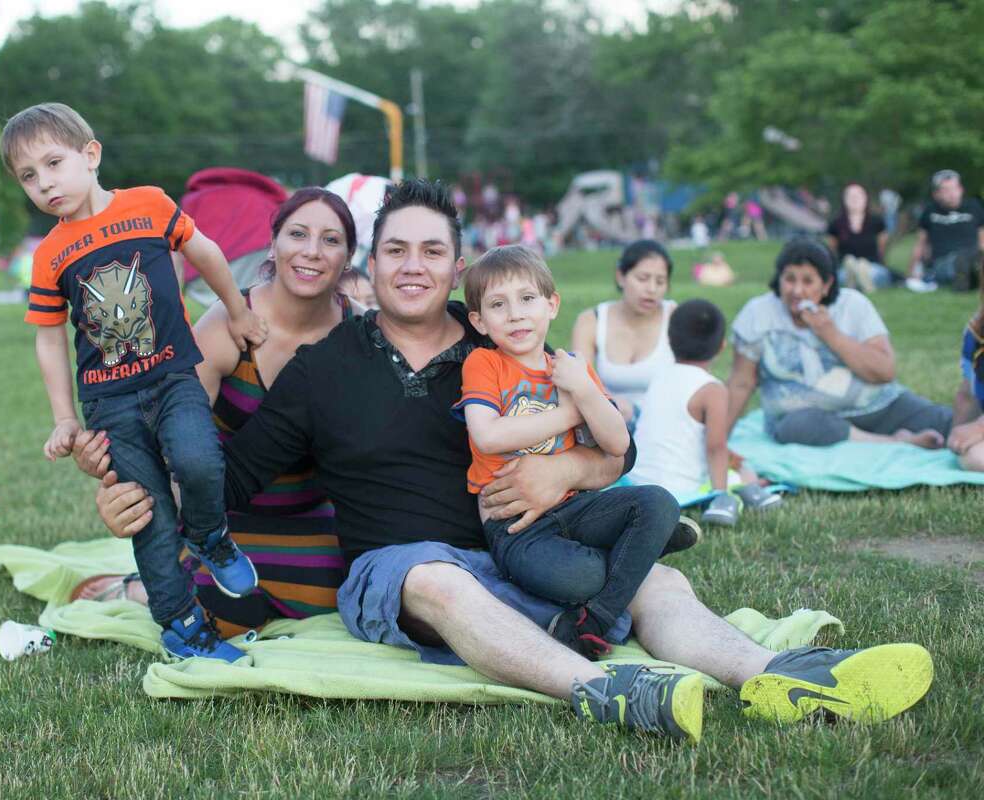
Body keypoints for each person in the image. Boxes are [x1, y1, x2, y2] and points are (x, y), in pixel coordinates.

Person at [94, 180, 932, 743]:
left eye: (431, 252)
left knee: (658, 581)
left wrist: (570, 473)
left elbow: (620, 446)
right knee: (438, 580)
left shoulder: (508, 341)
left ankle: (780, 678)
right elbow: (229, 480)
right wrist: (137, 501)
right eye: (396, 251)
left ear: (457, 267)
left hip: (523, 547)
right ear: (370, 266)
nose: (413, 266)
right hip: (400, 569)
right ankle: (603, 692)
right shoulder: (324, 369)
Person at [2, 101, 268, 662]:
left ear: (91, 154)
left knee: (199, 462)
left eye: (53, 163)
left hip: (173, 377)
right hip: (109, 402)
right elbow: (49, 337)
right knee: (146, 512)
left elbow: (207, 251)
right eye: (29, 176)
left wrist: (237, 311)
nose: (44, 183)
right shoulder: (50, 254)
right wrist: (65, 417)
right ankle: (181, 625)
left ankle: (210, 536)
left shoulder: (149, 205)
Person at [74, 187, 361, 634]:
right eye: (298, 234)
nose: (311, 251)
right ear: (273, 244)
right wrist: (116, 488)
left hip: (315, 521)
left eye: (330, 240)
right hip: (222, 524)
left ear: (348, 258)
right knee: (213, 613)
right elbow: (163, 444)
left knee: (340, 600)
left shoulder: (361, 332)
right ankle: (140, 586)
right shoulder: (227, 326)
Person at [456, 244, 683, 660]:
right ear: (479, 321)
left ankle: (594, 621)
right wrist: (567, 414)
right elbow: (487, 436)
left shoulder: (574, 368)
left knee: (659, 502)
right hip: (516, 526)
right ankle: (634, 552)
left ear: (551, 305)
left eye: (527, 299)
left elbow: (618, 445)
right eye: (498, 305)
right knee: (584, 575)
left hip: (577, 508)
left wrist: (583, 390)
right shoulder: (484, 364)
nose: (516, 314)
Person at [727, 238, 952, 448]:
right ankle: (893, 442)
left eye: (808, 281)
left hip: (876, 407)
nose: (796, 290)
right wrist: (719, 438)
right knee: (796, 427)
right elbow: (741, 383)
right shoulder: (758, 313)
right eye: (789, 279)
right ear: (779, 280)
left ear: (826, 285)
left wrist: (829, 333)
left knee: (946, 421)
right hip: (806, 418)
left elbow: (885, 372)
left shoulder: (853, 305)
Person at [628, 299, 781, 526]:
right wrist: (718, 491)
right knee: (743, 474)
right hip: (679, 487)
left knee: (731, 462)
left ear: (669, 341)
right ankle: (735, 497)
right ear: (721, 346)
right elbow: (715, 447)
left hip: (639, 480)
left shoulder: (659, 376)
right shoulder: (713, 390)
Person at [570, 240, 676, 424]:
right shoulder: (591, 320)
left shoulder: (676, 318)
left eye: (660, 281)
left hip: (666, 425)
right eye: (642, 278)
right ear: (621, 276)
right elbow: (580, 384)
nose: (652, 289)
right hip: (610, 423)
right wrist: (613, 405)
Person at [907, 169, 984, 291]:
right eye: (946, 190)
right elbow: (920, 244)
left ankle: (968, 278)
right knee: (960, 261)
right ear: (936, 194)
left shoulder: (974, 207)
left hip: (974, 256)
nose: (952, 193)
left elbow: (982, 240)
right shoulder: (930, 211)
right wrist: (912, 272)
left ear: (961, 189)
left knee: (974, 258)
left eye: (955, 188)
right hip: (943, 262)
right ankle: (967, 276)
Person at [826, 183, 895, 292]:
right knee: (841, 276)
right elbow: (832, 251)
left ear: (865, 198)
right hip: (845, 267)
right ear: (844, 199)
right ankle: (857, 275)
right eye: (851, 196)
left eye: (858, 195)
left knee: (879, 274)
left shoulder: (877, 222)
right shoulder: (835, 224)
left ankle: (859, 275)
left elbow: (882, 249)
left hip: (872, 265)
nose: (855, 199)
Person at [948, 269, 984, 471]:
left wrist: (980, 428)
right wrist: (955, 437)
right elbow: (967, 395)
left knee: (976, 457)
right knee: (969, 454)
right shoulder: (977, 330)